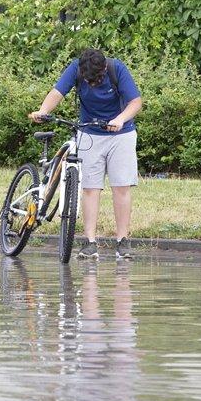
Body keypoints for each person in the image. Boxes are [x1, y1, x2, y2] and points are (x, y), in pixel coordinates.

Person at [30, 48, 142, 259]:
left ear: (103, 70)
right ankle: (90, 242)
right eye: (88, 81)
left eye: (96, 80)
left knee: (121, 187)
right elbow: (57, 92)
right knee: (90, 188)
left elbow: (135, 102)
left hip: (121, 134)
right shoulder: (76, 68)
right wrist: (44, 110)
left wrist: (120, 119)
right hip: (89, 133)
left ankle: (123, 241)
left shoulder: (116, 69)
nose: (92, 84)